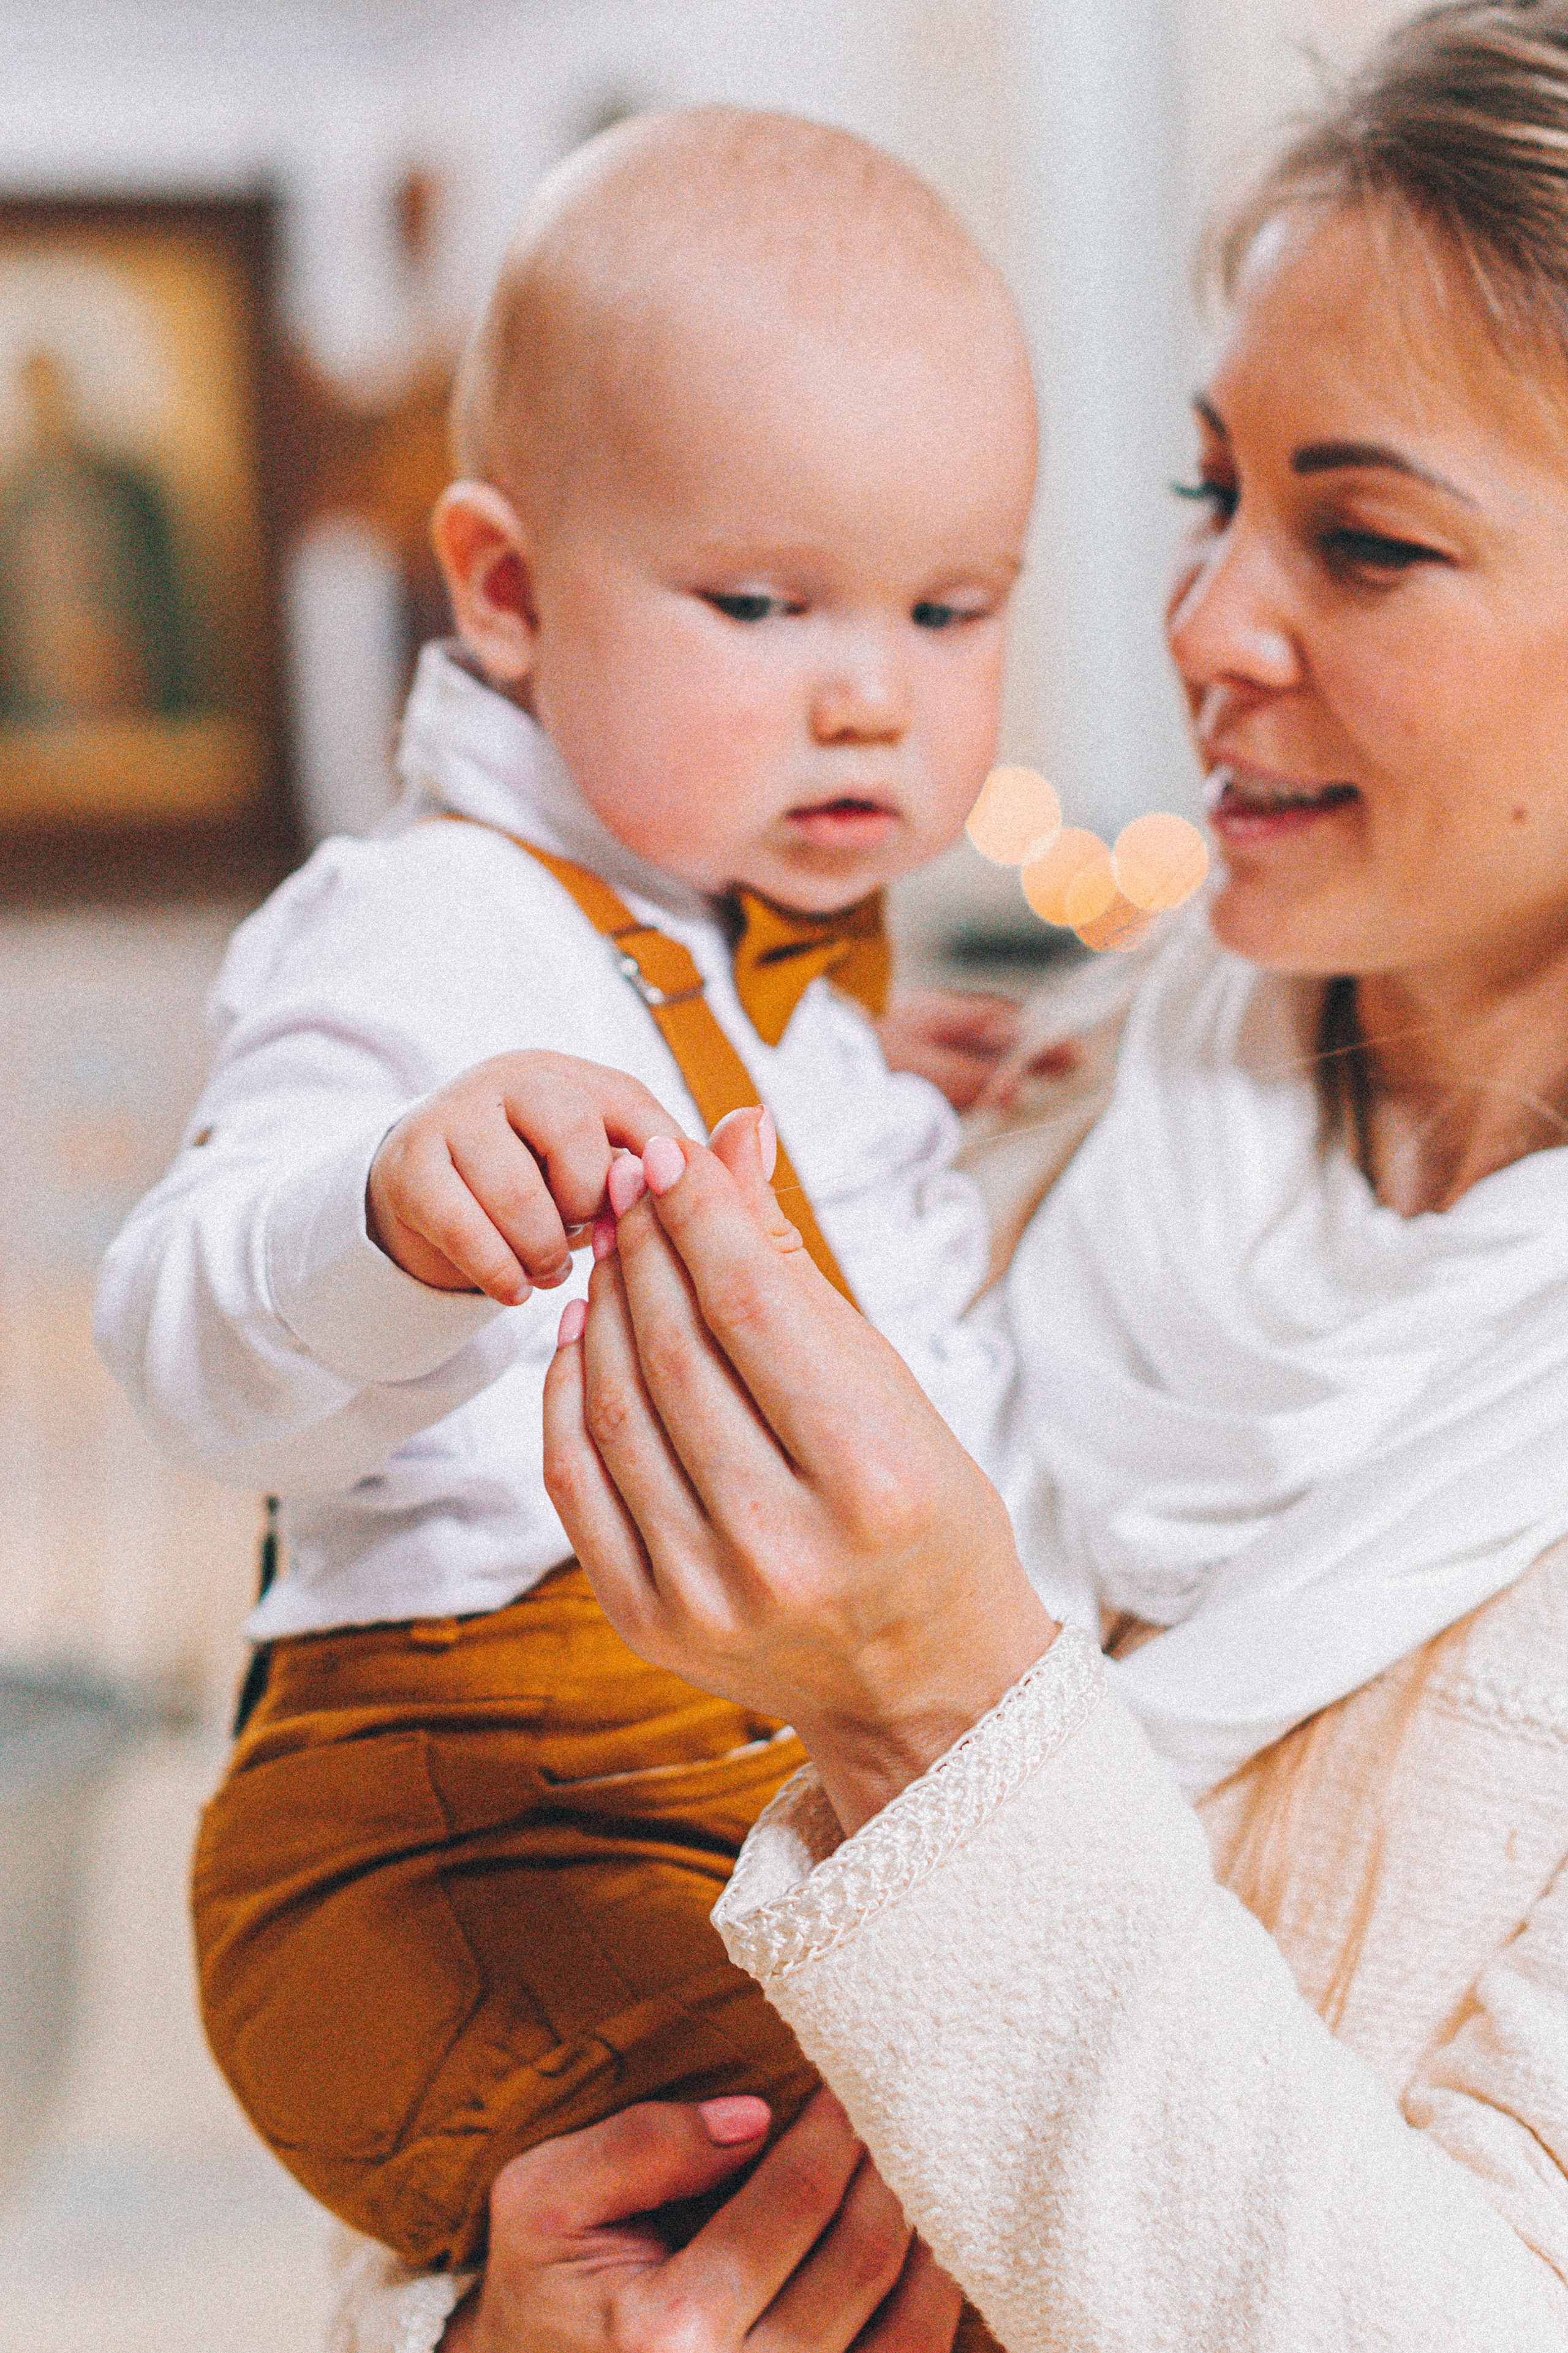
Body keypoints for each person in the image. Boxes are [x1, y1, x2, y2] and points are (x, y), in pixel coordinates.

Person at [417, 8, 1568, 2349]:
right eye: (1203, 495)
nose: (1207, 624)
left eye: (1358, 540)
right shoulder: (967, 1136)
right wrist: (474, 2325)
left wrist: (940, 1711)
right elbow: (519, 1915)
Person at [94, 104, 1040, 2337]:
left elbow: (719, 1109)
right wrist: (382, 1215)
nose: (868, 691)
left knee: (992, 2143)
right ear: (507, 592)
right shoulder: (421, 929)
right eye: (761, 601)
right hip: (463, 1830)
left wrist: (859, 1095)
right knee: (964, 2185)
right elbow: (177, 1332)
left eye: (952, 606)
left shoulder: (767, 956)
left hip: (726, 1800)